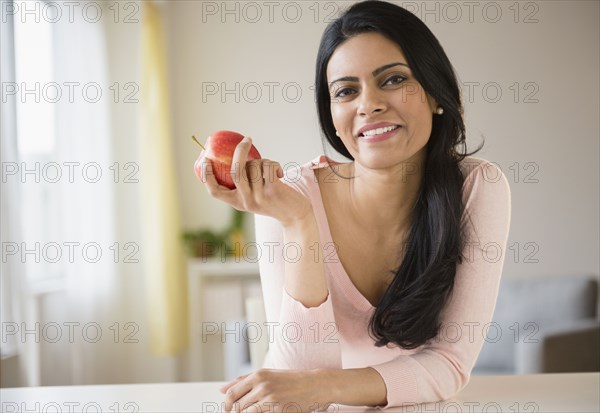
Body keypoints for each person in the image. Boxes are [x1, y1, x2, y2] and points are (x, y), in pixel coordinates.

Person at [195, 0, 511, 410]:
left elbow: (450, 364)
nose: (368, 104)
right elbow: (297, 378)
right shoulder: (290, 197)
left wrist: (326, 387)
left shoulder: (478, 187)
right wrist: (298, 222)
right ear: (332, 114)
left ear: (436, 93)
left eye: (394, 79)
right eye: (346, 91)